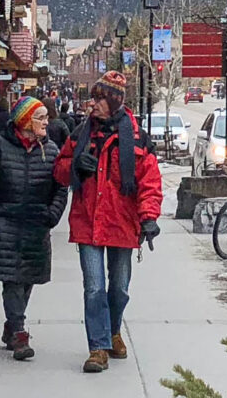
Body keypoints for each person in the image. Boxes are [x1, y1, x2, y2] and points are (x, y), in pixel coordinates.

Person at [54, 71, 163, 374]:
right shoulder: (80, 134)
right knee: (93, 288)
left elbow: (150, 182)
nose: (94, 104)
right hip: (88, 222)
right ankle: (98, 347)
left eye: (100, 99)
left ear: (115, 102)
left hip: (122, 223)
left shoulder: (137, 138)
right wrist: (76, 164)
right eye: (94, 98)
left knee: (119, 288)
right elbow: (60, 172)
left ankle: (113, 330)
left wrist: (149, 217)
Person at [0, 96, 67, 361]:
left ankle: (12, 325)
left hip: (36, 225)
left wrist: (52, 214)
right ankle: (20, 332)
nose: (47, 122)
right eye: (41, 117)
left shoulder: (52, 150)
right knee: (12, 279)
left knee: (27, 279)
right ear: (25, 121)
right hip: (5, 226)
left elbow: (61, 186)